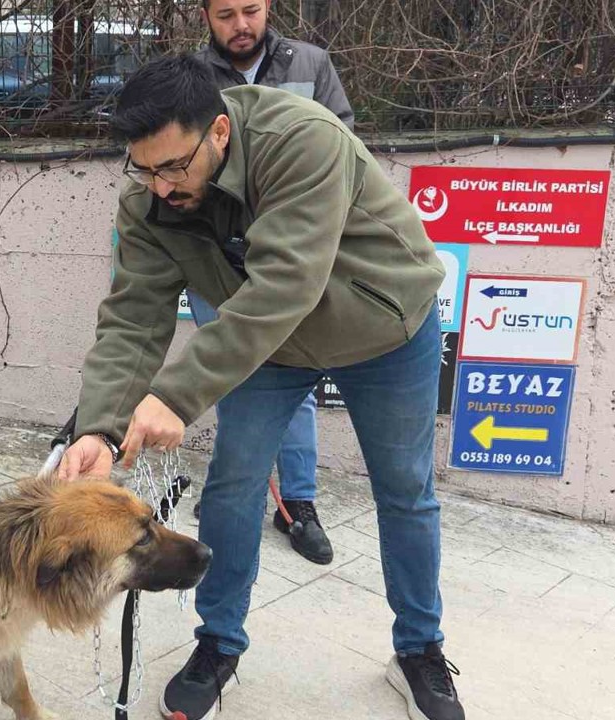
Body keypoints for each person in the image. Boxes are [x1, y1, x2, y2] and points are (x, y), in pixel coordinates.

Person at [58, 54, 464, 720]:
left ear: (219, 132)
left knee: (405, 491)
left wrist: (176, 394)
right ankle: (218, 645)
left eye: (174, 166)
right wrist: (99, 429)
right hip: (267, 350)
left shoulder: (302, 139)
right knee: (234, 485)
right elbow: (134, 316)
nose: (160, 186)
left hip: (385, 329)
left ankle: (419, 651)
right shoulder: (150, 199)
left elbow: (286, 284)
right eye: (144, 167)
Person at [182, 0, 355, 566]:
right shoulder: (191, 77)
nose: (240, 25)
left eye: (250, 10)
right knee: (228, 375)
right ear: (206, 15)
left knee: (294, 385)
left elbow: (345, 153)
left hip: (285, 265)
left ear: (269, 8)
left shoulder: (311, 64)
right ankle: (236, 493)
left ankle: (298, 505)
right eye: (226, 14)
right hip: (216, 261)